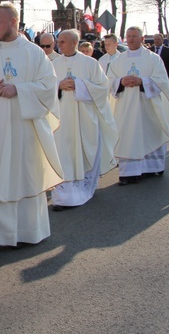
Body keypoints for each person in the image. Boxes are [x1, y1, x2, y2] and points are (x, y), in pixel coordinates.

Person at [0, 3, 63, 252]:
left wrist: (18, 89)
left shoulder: (34, 53)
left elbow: (49, 86)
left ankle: (26, 233)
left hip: (24, 129)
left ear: (13, 22)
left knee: (24, 176)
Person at [50, 29, 117, 209]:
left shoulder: (90, 63)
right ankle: (63, 196)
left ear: (74, 42)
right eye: (59, 41)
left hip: (84, 119)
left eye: (63, 41)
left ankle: (81, 190)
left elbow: (103, 89)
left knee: (82, 151)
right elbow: (46, 88)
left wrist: (79, 85)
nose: (59, 44)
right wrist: (59, 86)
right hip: (62, 119)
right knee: (63, 154)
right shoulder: (53, 64)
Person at [108, 27, 169, 184]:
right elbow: (109, 81)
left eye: (134, 36)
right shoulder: (118, 60)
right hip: (126, 107)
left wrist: (142, 81)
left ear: (142, 38)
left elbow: (162, 81)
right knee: (128, 136)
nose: (131, 39)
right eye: (128, 36)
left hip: (148, 106)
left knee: (149, 133)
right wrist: (121, 82)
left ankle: (152, 168)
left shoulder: (153, 59)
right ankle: (129, 173)